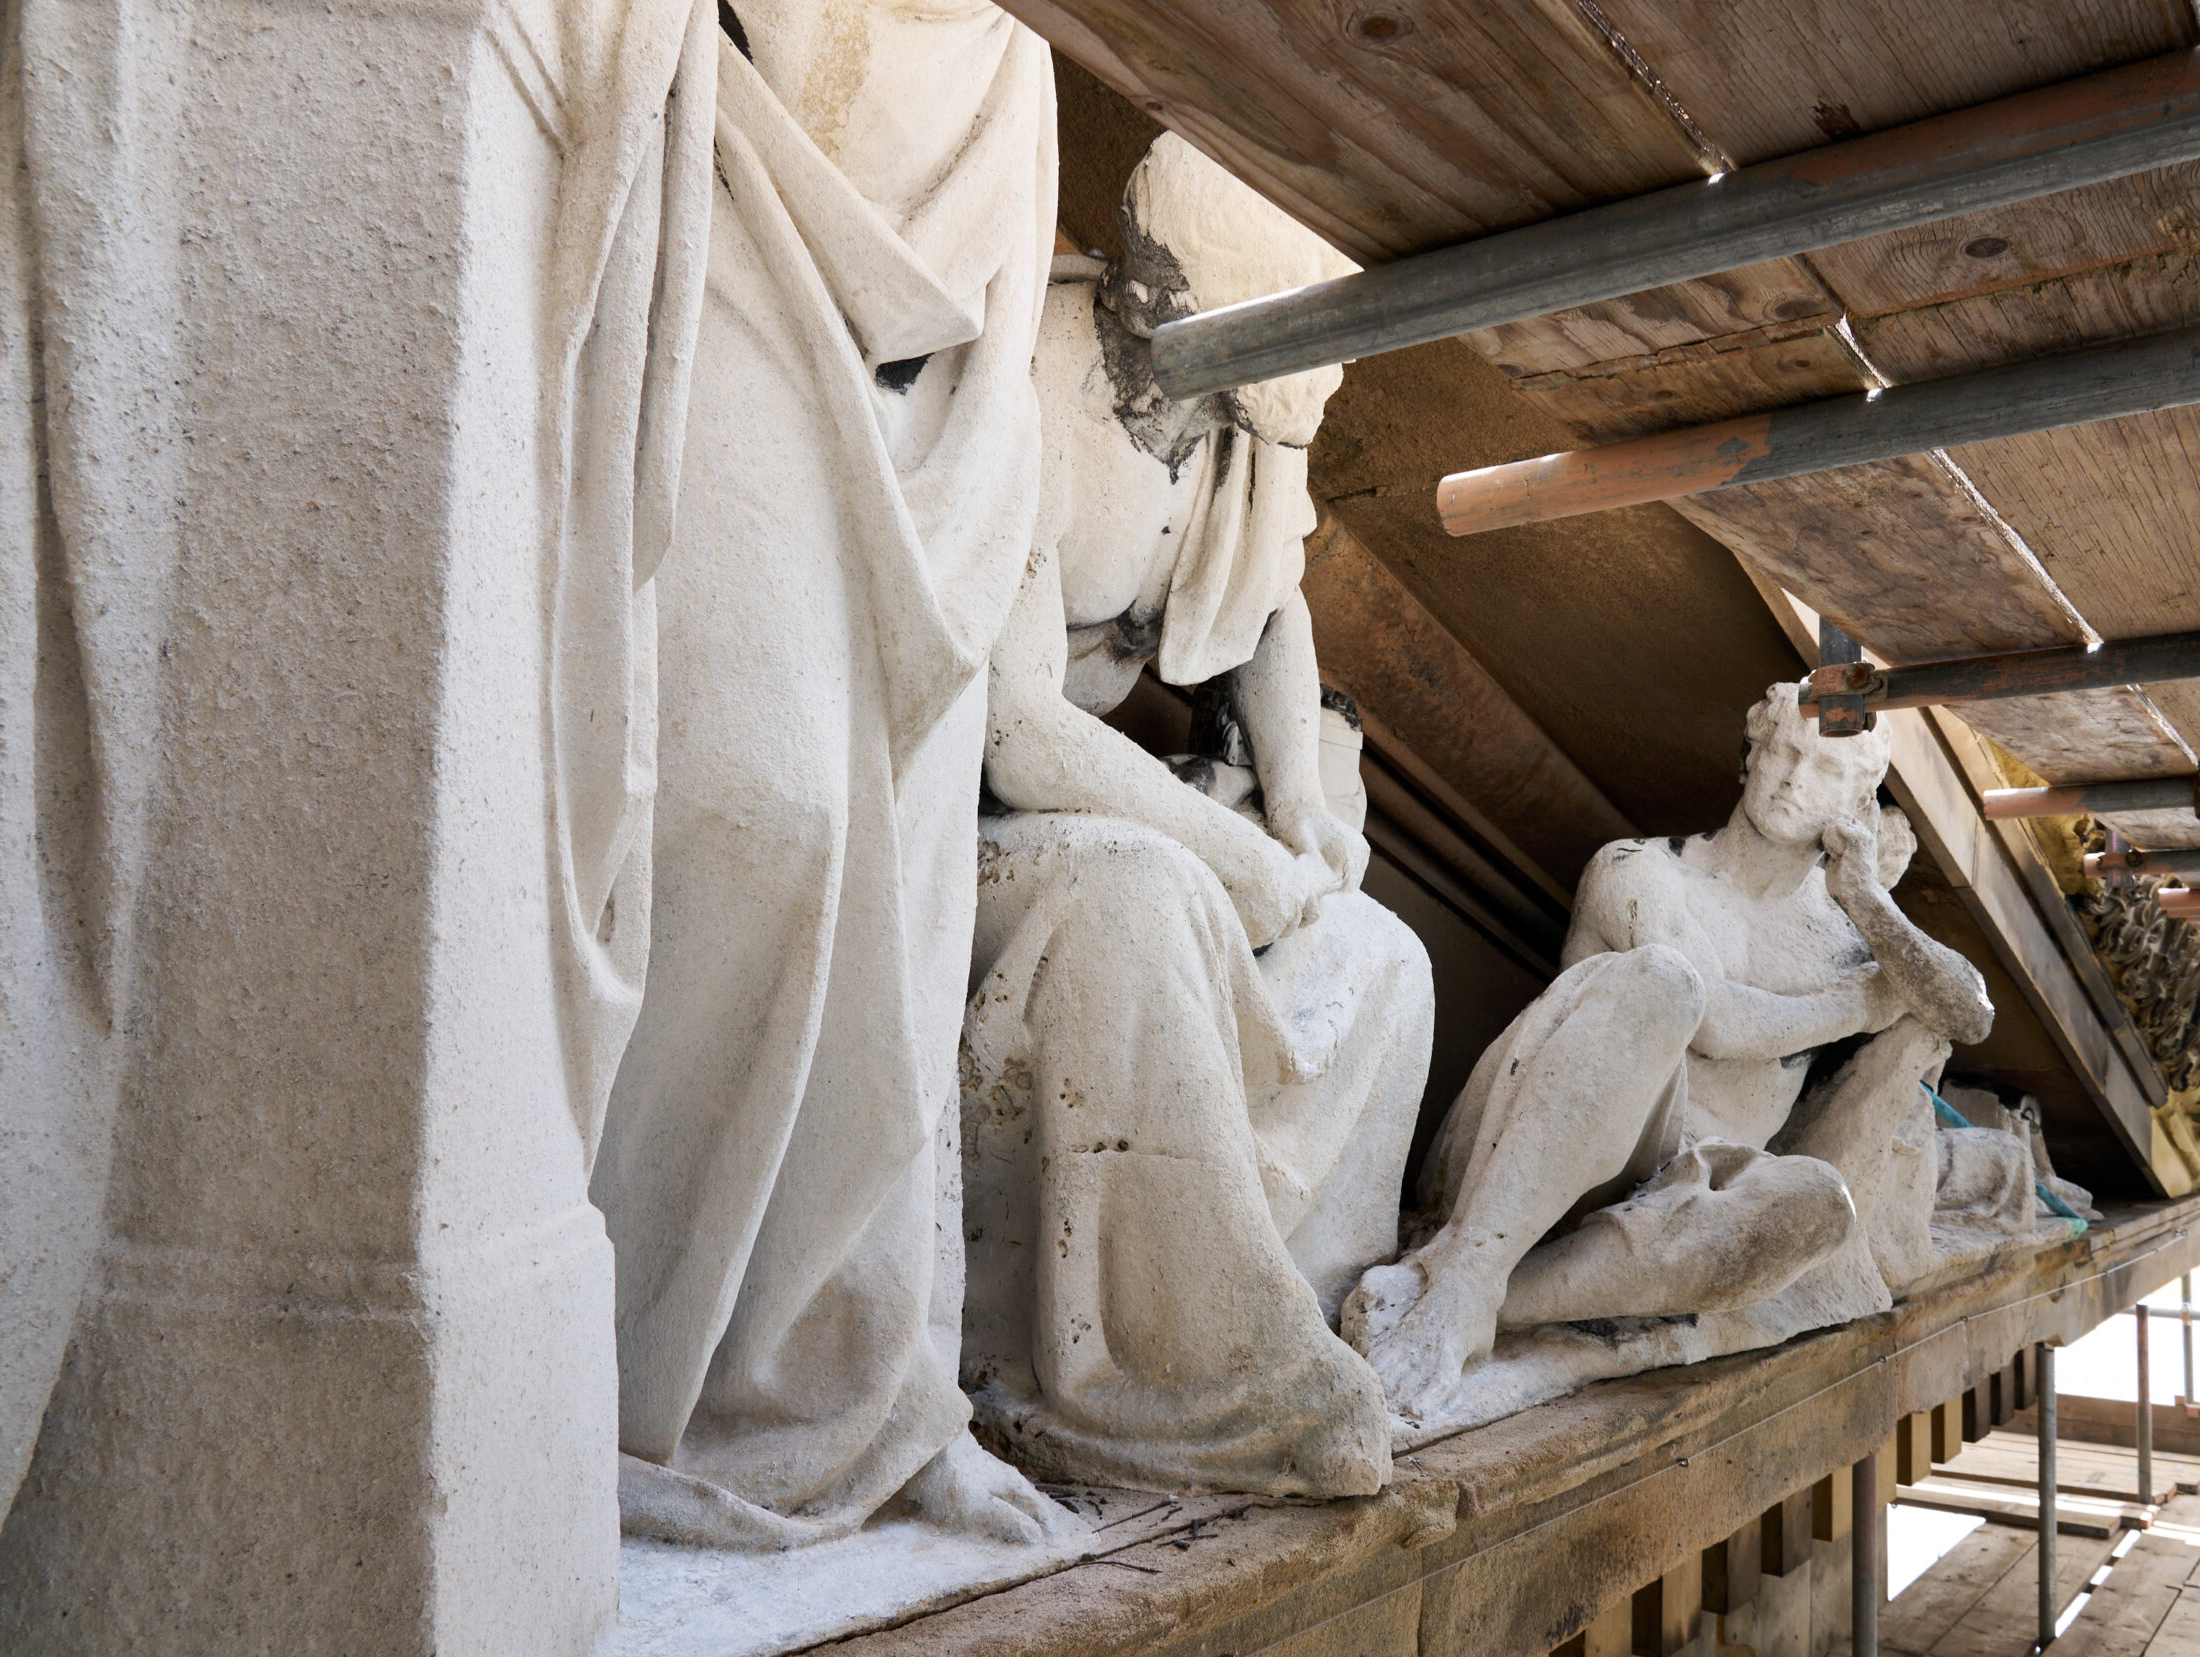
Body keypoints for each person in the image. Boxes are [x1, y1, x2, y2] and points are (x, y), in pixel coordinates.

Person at [588, 0, 1061, 1547]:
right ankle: (608, 1362)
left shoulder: (1017, 58)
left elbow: (1003, 340)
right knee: (756, 805)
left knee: (905, 944)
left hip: (938, 473)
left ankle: (862, 1385)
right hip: (726, 240)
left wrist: (968, 534)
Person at [956, 136, 1432, 1496]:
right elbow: (1014, 729)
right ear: (1166, 302)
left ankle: (1272, 1286)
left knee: (1388, 955)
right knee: (1138, 888)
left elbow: (1273, 602)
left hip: (1103, 819)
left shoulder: (1241, 418)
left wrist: (1298, 806)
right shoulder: (1033, 378)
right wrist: (1229, 848)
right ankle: (1169, 1367)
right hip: (959, 832)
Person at [1348, 683, 1994, 1421]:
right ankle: (1468, 1272)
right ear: (1749, 753)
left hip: (1670, 1218)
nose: (1788, 777)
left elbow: (1968, 1012)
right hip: (1527, 1169)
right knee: (1665, 981)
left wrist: (1873, 903)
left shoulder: (1845, 941)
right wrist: (1864, 1001)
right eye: (1778, 751)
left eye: (1820, 770)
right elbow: (1716, 1021)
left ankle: (1485, 1301)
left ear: (1855, 805)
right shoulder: (1639, 870)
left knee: (1819, 1206)